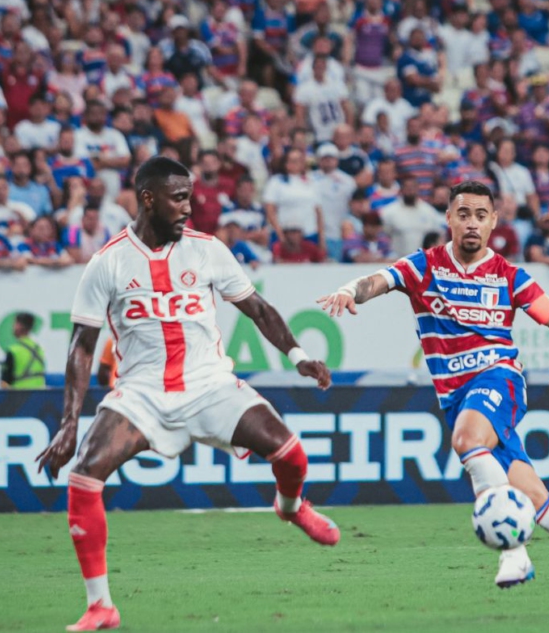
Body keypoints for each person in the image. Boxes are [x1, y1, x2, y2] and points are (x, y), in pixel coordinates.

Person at [317, 181, 549, 613]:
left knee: (467, 441)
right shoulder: (423, 267)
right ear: (449, 219)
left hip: (499, 380)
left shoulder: (509, 276)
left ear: (494, 221)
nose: (471, 222)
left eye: (481, 215)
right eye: (463, 213)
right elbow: (376, 281)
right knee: (535, 500)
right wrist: (348, 289)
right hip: (456, 398)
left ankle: (513, 551)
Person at [35, 156, 338, 632]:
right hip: (141, 393)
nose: (187, 208)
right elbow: (82, 347)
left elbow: (258, 308)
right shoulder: (108, 262)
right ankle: (101, 606)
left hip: (210, 384)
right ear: (148, 198)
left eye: (190, 197)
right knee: (84, 475)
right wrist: (69, 422)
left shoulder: (208, 249)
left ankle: (291, 506)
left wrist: (298, 355)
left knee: (292, 456)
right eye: (178, 198)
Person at [2, 312, 45, 389]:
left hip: (19, 396)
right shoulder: (39, 349)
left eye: (15, 323)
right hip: (40, 396)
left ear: (19, 326)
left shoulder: (13, 351)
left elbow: (5, 382)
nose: (13, 326)